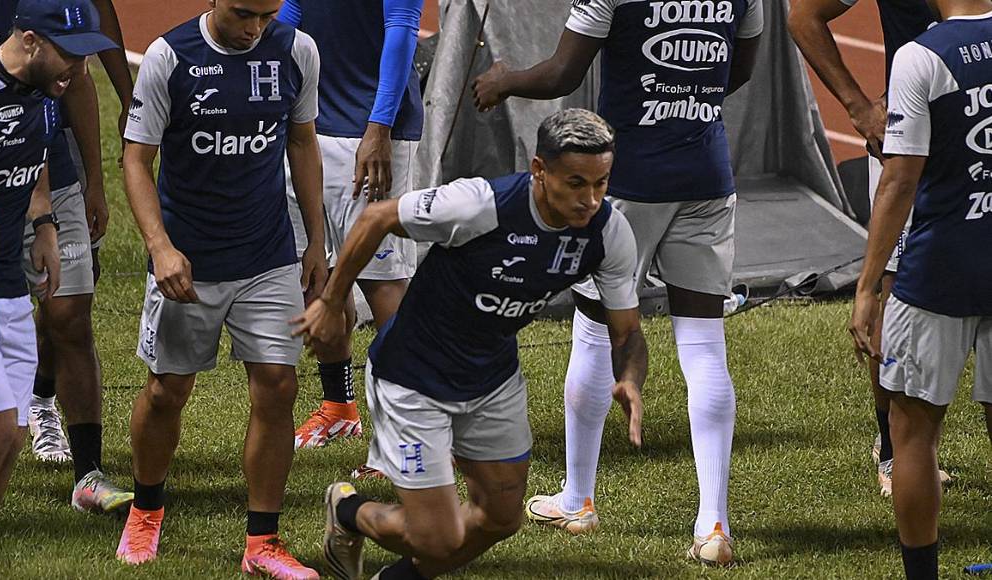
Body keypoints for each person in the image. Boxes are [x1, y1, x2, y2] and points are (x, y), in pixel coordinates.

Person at [293, 108, 647, 580]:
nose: (591, 199)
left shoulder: (608, 233)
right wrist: (332, 300)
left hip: (492, 380)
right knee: (437, 538)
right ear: (540, 171)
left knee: (501, 518)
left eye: (601, 183)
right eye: (576, 183)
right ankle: (347, 511)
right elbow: (377, 217)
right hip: (412, 378)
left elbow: (626, 331)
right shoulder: (480, 205)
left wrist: (629, 378)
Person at [473, 0, 761, 564]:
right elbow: (739, 69)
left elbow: (563, 73)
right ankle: (714, 523)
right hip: (706, 173)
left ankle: (579, 498)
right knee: (704, 345)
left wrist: (505, 82)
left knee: (593, 330)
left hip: (624, 185)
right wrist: (684, 106)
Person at [116, 1, 327, 576]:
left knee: (279, 385)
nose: (254, 28)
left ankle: (262, 542)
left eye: (265, 14)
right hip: (190, 262)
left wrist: (316, 241)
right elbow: (136, 159)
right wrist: (160, 246)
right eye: (242, 14)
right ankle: (147, 509)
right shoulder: (168, 57)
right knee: (166, 392)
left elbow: (302, 143)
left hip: (267, 255)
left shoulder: (295, 51)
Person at [0, 0, 136, 512]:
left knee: (7, 433)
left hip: (17, 257)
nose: (79, 68)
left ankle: (85, 471)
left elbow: (35, 138)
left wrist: (46, 218)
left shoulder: (46, 90)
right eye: (72, 54)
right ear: (29, 43)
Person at [850, 0, 992, 576]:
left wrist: (866, 287)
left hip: (941, 269)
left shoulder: (921, 56)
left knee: (911, 432)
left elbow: (899, 178)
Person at [788, 0, 951, 497]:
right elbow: (803, 16)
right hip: (910, 143)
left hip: (976, 140)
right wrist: (860, 107)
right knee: (897, 295)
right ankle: (892, 448)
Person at [277, 0, 424, 456]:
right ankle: (339, 407)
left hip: (371, 133)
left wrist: (379, 126)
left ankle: (403, 435)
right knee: (314, 276)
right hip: (307, 127)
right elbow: (287, 18)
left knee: (383, 286)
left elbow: (401, 30)